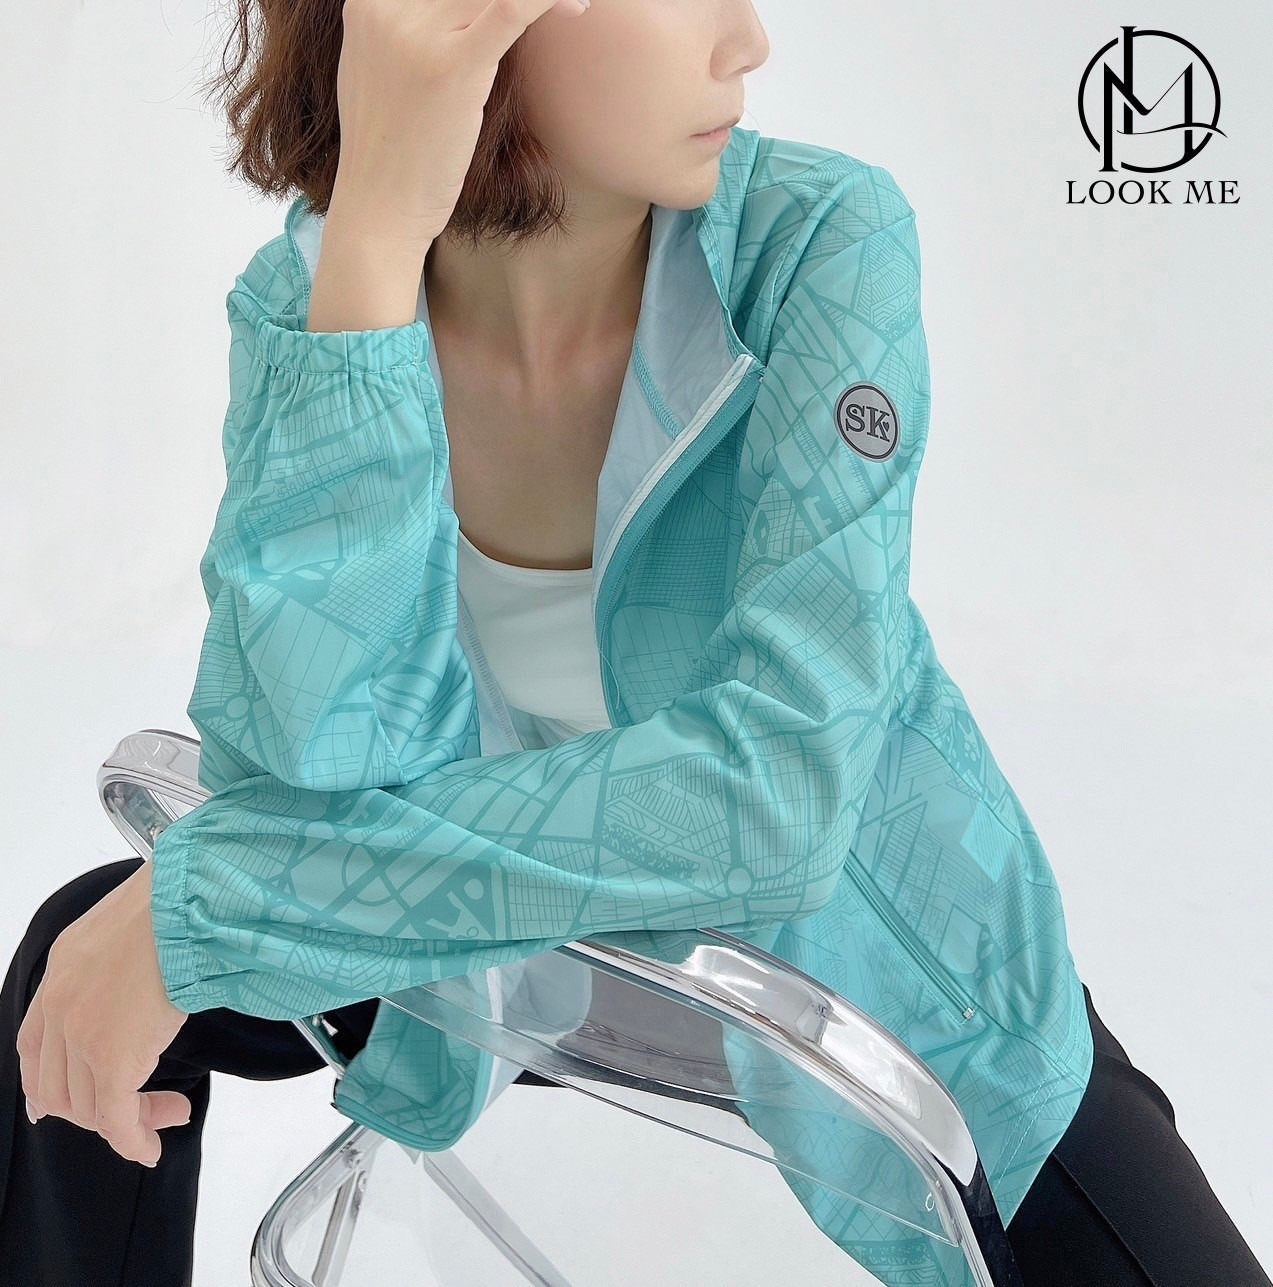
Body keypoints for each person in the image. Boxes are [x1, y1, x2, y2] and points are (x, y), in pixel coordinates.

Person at [2, 1, 1269, 1284]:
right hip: (481, 964)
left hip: (880, 995)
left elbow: (777, 797)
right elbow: (297, 772)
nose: (746, 40)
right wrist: (375, 240)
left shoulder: (816, 244)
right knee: (76, 967)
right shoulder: (318, 295)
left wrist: (219, 900)